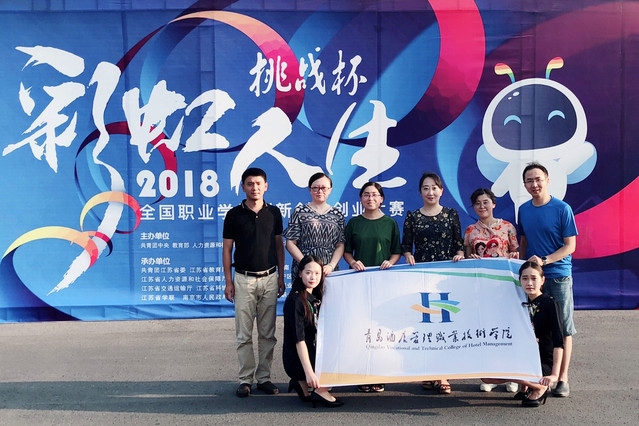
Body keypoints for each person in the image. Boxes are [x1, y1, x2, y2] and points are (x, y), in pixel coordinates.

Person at [222, 167, 285, 398]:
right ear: (243, 187)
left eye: (259, 183)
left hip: (269, 278)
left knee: (268, 333)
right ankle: (245, 379)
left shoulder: (274, 213)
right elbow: (227, 249)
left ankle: (264, 378)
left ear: (266, 186)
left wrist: (281, 276)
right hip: (243, 279)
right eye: (250, 183)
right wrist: (228, 281)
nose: (254, 188)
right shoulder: (233, 214)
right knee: (244, 334)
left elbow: (279, 245)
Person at [518, 162, 577, 397]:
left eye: (538, 179)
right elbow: (523, 241)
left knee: (563, 328)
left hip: (558, 276)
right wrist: (522, 267)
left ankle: (562, 378)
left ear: (547, 180)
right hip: (533, 280)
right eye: (529, 181)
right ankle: (535, 376)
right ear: (525, 185)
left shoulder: (562, 209)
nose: (534, 184)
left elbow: (570, 246)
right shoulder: (523, 210)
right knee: (532, 327)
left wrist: (545, 260)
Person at [402, 172, 464, 394]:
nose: (430, 192)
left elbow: (459, 244)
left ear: (441, 191)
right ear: (420, 192)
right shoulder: (412, 217)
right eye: (426, 188)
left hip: (446, 279)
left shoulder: (450, 214)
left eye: (434, 188)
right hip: (422, 277)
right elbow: (406, 246)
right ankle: (427, 372)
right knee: (424, 323)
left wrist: (459, 255)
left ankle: (444, 374)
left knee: (445, 323)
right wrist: (408, 255)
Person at [343, 181, 402, 392]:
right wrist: (352, 262)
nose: (370, 198)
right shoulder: (354, 223)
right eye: (366, 194)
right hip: (359, 281)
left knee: (381, 328)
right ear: (361, 198)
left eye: (375, 195)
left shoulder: (390, 223)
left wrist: (390, 262)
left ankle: (379, 373)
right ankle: (362, 373)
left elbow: (396, 251)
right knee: (361, 327)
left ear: (382, 199)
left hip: (383, 282)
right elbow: (346, 251)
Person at [481, 261, 564, 407]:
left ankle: (540, 387)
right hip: (522, 358)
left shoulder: (550, 304)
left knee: (520, 370)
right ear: (519, 280)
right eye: (525, 278)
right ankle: (526, 387)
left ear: (542, 280)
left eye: (534, 278)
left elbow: (558, 342)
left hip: (542, 361)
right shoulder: (518, 302)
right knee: (486, 377)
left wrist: (555, 374)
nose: (529, 283)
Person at [463, 187, 519, 393]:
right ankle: (490, 376)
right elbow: (466, 258)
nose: (482, 206)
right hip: (481, 289)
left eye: (485, 202)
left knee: (508, 330)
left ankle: (512, 375)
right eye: (477, 203)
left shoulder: (507, 227)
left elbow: (516, 254)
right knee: (486, 330)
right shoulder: (470, 230)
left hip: (505, 287)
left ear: (493, 204)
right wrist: (470, 258)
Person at [283, 255, 343, 408]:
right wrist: (309, 372)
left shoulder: (315, 296)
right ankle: (320, 390)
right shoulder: (296, 301)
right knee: (339, 358)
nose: (313, 277)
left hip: (312, 351)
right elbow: (299, 340)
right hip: (297, 358)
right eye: (308, 272)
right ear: (300, 273)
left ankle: (300, 382)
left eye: (317, 273)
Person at [284, 172, 345, 278]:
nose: (320, 191)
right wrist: (306, 264)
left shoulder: (337, 214)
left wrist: (331, 265)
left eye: (323, 188)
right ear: (310, 189)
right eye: (315, 188)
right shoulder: (300, 212)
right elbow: (290, 243)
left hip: (328, 271)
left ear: (330, 190)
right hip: (305, 271)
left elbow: (340, 244)